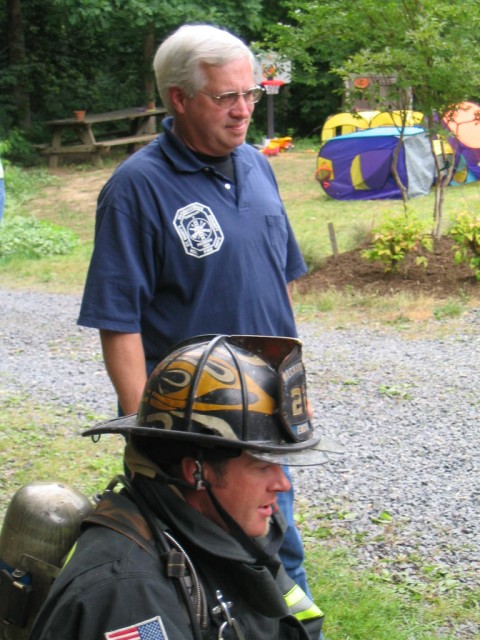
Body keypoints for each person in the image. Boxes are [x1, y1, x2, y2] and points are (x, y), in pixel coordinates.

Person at [78, 23, 309, 593]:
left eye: (249, 93)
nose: (243, 110)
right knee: (201, 570)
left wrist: (293, 386)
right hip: (194, 429)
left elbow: (276, 284)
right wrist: (149, 438)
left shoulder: (258, 167)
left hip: (266, 416)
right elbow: (119, 322)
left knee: (279, 554)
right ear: (178, 99)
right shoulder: (137, 189)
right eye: (225, 96)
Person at [28, 335, 342, 640]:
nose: (282, 483)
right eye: (262, 467)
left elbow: (298, 624)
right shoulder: (129, 595)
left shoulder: (234, 534)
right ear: (196, 471)